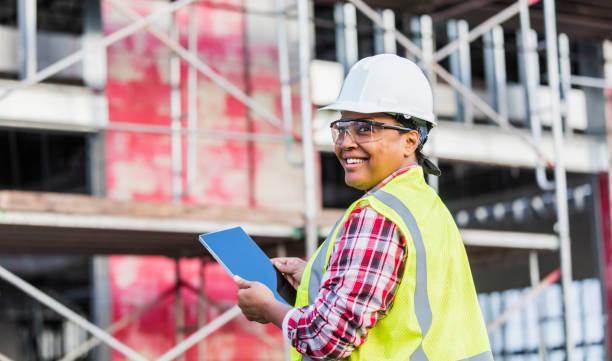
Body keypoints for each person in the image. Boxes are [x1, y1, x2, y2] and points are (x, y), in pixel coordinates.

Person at [234, 54, 493, 361]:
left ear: (410, 141)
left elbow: (327, 339)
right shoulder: (425, 206)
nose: (346, 142)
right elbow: (399, 302)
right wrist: (315, 279)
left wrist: (269, 307)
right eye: (342, 127)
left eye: (365, 129)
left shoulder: (377, 215)